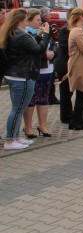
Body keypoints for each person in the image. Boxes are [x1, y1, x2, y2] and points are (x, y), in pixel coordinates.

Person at [1, 9, 51, 150]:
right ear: (20, 21)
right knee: (17, 109)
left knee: (18, 108)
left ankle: (16, 137)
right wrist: (46, 35)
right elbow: (39, 50)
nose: (26, 22)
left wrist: (39, 36)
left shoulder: (14, 34)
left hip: (16, 75)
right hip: (22, 76)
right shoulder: (21, 35)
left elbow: (30, 48)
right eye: (25, 20)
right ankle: (10, 140)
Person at [22, 8, 56, 139]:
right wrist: (44, 54)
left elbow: (53, 45)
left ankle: (43, 125)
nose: (39, 22)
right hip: (34, 70)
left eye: (40, 20)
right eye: (37, 20)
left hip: (47, 69)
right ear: (28, 21)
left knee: (43, 97)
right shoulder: (27, 34)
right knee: (31, 99)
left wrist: (53, 53)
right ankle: (28, 126)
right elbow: (35, 50)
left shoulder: (44, 32)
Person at [54, 8, 75, 123]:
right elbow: (63, 47)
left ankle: (69, 113)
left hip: (71, 63)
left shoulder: (73, 29)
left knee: (69, 91)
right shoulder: (64, 30)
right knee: (65, 91)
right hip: (64, 64)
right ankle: (65, 116)